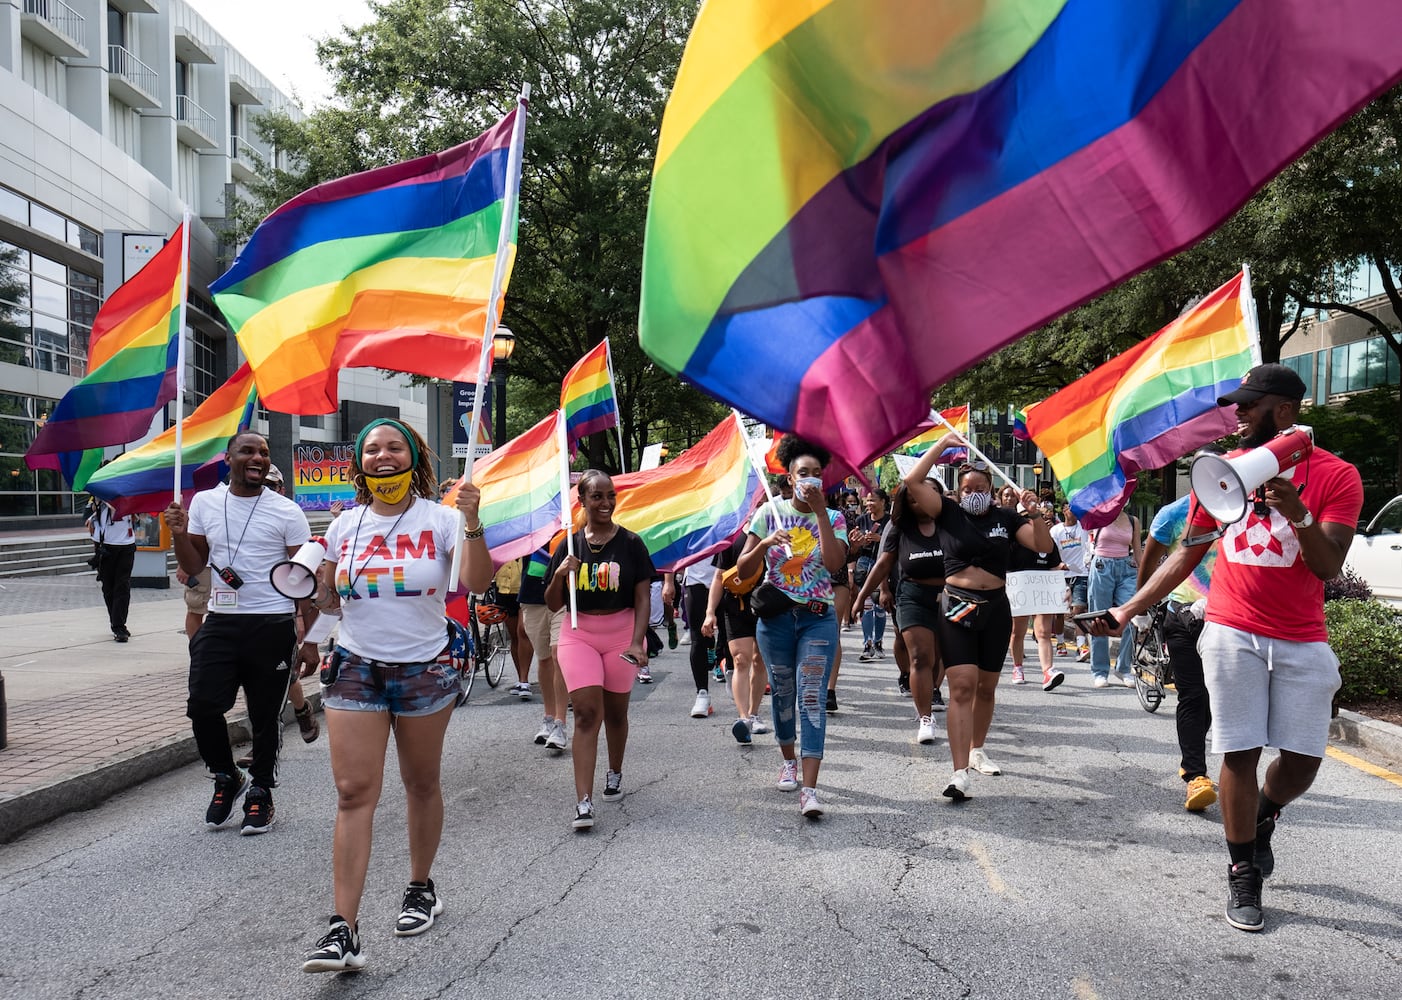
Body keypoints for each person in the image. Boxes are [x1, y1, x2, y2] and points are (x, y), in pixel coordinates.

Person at [1089, 363, 1362, 933]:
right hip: (1232, 628)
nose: (1236, 415)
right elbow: (1185, 555)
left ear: (1284, 411)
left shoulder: (1338, 476)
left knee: (1304, 761)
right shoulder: (1221, 475)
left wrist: (1299, 513)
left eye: (1249, 405)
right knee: (1239, 752)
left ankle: (1263, 817)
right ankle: (1243, 870)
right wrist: (1127, 610)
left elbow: (1328, 564)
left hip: (1302, 635)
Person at [302, 418, 492, 973]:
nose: (382, 456)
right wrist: (315, 589)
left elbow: (476, 583)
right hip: (357, 665)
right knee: (353, 792)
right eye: (371, 450)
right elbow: (331, 604)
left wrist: (474, 521)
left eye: (393, 447)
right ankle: (343, 930)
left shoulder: (444, 519)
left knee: (420, 783)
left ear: (413, 456)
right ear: (359, 463)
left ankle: (420, 887)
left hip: (426, 668)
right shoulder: (344, 525)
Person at [165, 431, 312, 837]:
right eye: (248, 451)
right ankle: (227, 776)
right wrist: (179, 533)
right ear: (228, 458)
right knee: (203, 705)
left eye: (264, 452)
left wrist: (310, 636)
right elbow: (195, 564)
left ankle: (261, 791)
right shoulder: (207, 503)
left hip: (271, 622)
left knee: (264, 717)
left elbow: (304, 578)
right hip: (222, 620)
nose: (258, 458)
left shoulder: (286, 511)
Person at [904, 437, 1052, 801]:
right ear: (958, 490)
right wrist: (941, 443)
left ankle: (977, 749)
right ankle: (959, 773)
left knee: (986, 687)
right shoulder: (948, 512)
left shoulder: (1005, 517)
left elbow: (1044, 546)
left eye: (981, 487)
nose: (974, 492)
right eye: (967, 487)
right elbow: (912, 482)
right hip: (956, 604)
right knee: (962, 687)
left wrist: (1033, 512)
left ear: (990, 489)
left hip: (996, 608)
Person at [736, 436, 847, 818]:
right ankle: (788, 761)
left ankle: (811, 790)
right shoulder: (769, 512)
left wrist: (819, 514)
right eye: (804, 473)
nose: (811, 480)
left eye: (817, 474)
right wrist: (765, 543)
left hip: (818, 618)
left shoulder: (834, 518)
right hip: (777, 620)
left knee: (811, 696)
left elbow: (834, 566)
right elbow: (743, 570)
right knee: (783, 693)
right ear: (789, 476)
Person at [545, 470, 656, 831]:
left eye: (610, 495)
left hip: (621, 633)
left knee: (616, 713)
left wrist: (637, 642)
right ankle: (583, 801)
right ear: (583, 501)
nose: (606, 502)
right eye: (597, 496)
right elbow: (551, 603)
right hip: (578, 634)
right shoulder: (570, 543)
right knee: (587, 714)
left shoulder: (632, 543)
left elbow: (642, 599)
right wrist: (561, 574)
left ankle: (615, 771)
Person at [1141, 473, 1221, 814]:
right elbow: (1150, 559)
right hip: (1184, 616)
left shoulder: (1244, 512)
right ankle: (1195, 774)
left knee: (1215, 700)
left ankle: (1193, 756)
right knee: (1194, 693)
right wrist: (1141, 604)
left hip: (1229, 619)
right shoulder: (1173, 514)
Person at [856, 481, 946, 744]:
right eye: (915, 497)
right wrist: (862, 596)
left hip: (948, 598)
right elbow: (883, 563)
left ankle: (934, 690)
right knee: (920, 657)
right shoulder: (898, 528)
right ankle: (925, 718)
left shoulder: (953, 524)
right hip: (911, 596)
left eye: (928, 496)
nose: (922, 502)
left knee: (939, 655)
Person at [702, 531, 769, 744]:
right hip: (736, 604)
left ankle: (754, 712)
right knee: (740, 659)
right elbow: (719, 577)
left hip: (768, 603)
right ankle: (744, 718)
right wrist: (710, 612)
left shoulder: (779, 528)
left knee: (760, 660)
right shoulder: (734, 536)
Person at [519, 547, 569, 751]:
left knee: (559, 654)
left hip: (564, 596)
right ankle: (548, 718)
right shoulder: (528, 521)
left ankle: (560, 723)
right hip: (532, 595)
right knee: (545, 658)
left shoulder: (570, 520)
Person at [1087, 507, 1142, 687]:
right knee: (1099, 619)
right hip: (1102, 566)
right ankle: (1100, 670)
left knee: (1132, 616)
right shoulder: (1097, 515)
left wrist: (1146, 577)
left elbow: (1137, 551)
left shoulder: (1133, 520)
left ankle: (1123, 667)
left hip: (1127, 568)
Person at [86, 499, 135, 642]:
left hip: (126, 544)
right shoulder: (99, 495)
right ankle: (116, 621)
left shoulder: (128, 494)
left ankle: (119, 625)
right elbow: (90, 512)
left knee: (122, 585)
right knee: (108, 586)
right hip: (105, 545)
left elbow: (137, 513)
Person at [853, 489, 891, 662]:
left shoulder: (890, 521)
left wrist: (880, 538)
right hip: (864, 562)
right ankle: (867, 644)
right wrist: (860, 541)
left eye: (873, 500)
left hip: (882, 565)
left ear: (883, 502)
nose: (869, 504)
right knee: (866, 605)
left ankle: (878, 642)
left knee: (880, 605)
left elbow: (894, 542)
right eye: (867, 501)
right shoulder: (861, 520)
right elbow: (854, 544)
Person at [1050, 505, 1091, 662]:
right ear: (1063, 510)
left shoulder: (1084, 527)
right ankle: (1060, 642)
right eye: (1069, 508)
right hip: (1062, 574)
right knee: (1059, 612)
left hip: (1081, 573)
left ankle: (1081, 646)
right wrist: (1058, 564)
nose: (1072, 511)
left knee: (1079, 609)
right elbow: (1051, 550)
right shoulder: (1055, 531)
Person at [683, 558, 720, 718]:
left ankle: (724, 665)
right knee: (698, 638)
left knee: (730, 641)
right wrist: (669, 581)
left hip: (728, 577)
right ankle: (702, 694)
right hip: (695, 580)